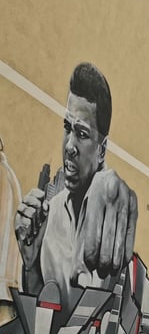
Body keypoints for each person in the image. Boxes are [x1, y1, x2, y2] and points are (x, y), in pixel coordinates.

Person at [14, 62, 137, 300]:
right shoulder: (51, 215)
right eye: (67, 127)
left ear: (102, 150)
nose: (69, 146)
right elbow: (41, 316)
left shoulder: (110, 218)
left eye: (81, 134)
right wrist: (31, 265)